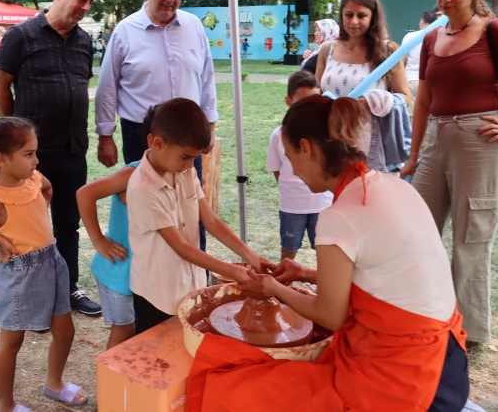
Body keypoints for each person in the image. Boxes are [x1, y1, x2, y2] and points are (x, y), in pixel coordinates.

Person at [186, 95, 468, 412]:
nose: (292, 170)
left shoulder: (340, 216)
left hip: (409, 379)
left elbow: (330, 315)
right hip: (450, 358)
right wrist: (304, 274)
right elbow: (382, 280)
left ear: (306, 148)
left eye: (291, 159)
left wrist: (272, 288)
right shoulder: (392, 185)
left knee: (232, 389)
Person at [401, 0, 498, 345]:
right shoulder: (432, 37)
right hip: (436, 138)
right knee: (417, 232)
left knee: (470, 241)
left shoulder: (495, 30)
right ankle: (425, 316)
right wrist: (414, 155)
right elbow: (422, 101)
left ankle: (466, 333)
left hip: (481, 141)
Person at [0, 117, 87, 412]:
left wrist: (42, 207)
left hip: (53, 262)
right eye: (28, 154)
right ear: (1, 159)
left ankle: (55, 383)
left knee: (65, 332)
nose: (36, 160)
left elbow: (47, 188)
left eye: (35, 152)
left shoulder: (33, 178)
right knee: (12, 342)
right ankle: (4, 405)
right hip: (23, 273)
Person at [0, 0, 102, 317]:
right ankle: (32, 295)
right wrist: (15, 136)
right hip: (31, 156)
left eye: (89, 2)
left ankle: (68, 289)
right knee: (29, 226)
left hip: (72, 149)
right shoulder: (20, 36)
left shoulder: (85, 41)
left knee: (68, 223)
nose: (85, 7)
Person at [95, 0, 218, 254]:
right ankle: (149, 270)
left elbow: (206, 78)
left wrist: (209, 126)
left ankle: (194, 268)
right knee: (146, 208)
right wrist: (105, 136)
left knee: (190, 205)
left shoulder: (193, 26)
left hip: (189, 135)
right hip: (141, 135)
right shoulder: (125, 31)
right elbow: (107, 87)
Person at [127, 98, 274, 334]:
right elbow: (182, 247)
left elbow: (211, 220)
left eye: (194, 158)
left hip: (191, 282)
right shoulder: (142, 188)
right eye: (185, 157)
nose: (190, 165)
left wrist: (250, 255)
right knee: (161, 355)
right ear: (156, 143)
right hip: (157, 293)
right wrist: (236, 272)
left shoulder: (183, 171)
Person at [76, 108, 154, 349]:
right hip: (118, 270)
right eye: (183, 156)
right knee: (124, 329)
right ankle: (111, 383)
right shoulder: (132, 174)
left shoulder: (175, 176)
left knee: (142, 327)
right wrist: (99, 240)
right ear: (155, 142)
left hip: (145, 272)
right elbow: (85, 193)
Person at [315, 0, 411, 172]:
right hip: (331, 140)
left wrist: (371, 102)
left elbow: (405, 97)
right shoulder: (327, 50)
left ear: (373, 17)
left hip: (371, 146)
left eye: (362, 15)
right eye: (348, 14)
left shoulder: (388, 51)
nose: (354, 21)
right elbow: (317, 92)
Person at [266, 71, 333, 262]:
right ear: (289, 101)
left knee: (325, 251)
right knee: (289, 250)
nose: (309, 110)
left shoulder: (327, 134)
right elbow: (276, 169)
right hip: (292, 204)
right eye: (302, 103)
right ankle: (284, 288)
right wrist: (293, 188)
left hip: (323, 204)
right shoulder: (278, 136)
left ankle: (323, 286)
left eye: (315, 101)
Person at [401, 11, 439, 116]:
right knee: (430, 118)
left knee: (413, 119)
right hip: (431, 82)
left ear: (421, 22)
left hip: (411, 81)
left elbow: (402, 60)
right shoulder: (439, 37)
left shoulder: (409, 36)